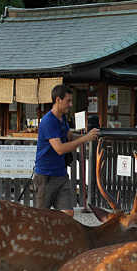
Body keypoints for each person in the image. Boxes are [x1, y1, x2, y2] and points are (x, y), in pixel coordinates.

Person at [33, 84, 99, 215]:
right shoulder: (48, 121)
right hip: (46, 176)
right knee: (40, 217)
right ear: (58, 100)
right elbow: (60, 149)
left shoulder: (62, 118)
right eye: (68, 101)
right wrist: (85, 139)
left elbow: (69, 136)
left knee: (68, 213)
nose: (70, 104)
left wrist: (87, 136)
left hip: (61, 174)